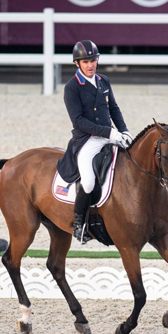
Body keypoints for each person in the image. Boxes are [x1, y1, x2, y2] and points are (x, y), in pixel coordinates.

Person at [57, 40, 133, 244]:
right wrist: (110, 132)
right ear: (77, 64)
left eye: (93, 60)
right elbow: (79, 121)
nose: (91, 65)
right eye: (86, 62)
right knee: (89, 181)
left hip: (110, 136)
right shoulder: (72, 87)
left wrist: (124, 130)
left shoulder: (103, 81)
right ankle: (79, 225)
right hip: (87, 140)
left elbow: (114, 109)